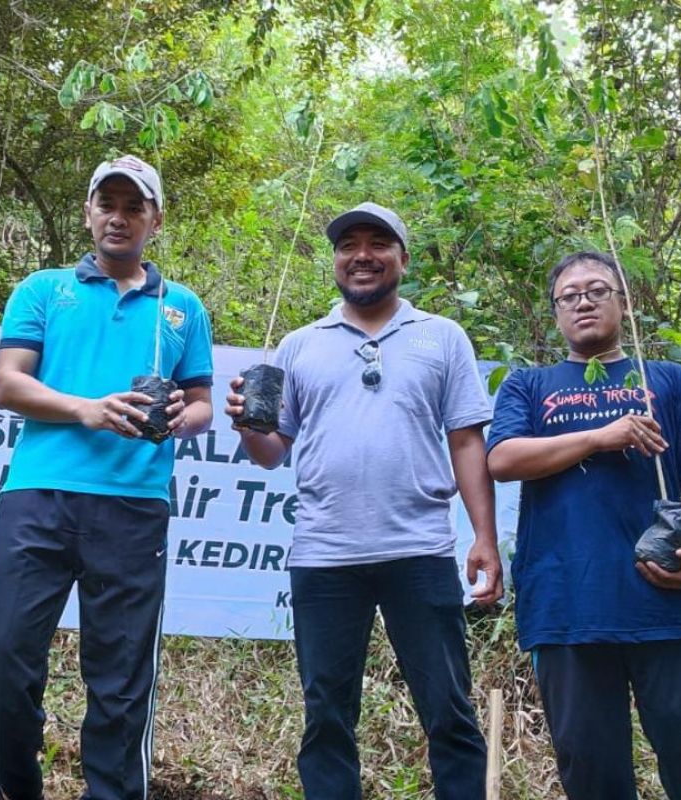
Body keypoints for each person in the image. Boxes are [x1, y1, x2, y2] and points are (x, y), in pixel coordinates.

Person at [225, 201, 503, 800]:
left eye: (378, 243)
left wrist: (485, 537)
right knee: (326, 716)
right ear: (335, 261)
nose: (362, 255)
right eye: (349, 244)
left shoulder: (442, 336)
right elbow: (272, 453)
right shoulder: (300, 345)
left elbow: (466, 441)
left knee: (449, 710)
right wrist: (248, 425)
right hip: (324, 557)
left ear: (402, 258)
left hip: (420, 549)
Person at [0, 154, 215, 800]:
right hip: (37, 497)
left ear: (155, 220)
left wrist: (179, 418)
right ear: (88, 213)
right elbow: (8, 383)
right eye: (107, 203)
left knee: (121, 680)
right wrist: (88, 409)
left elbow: (201, 405)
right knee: (4, 660)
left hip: (136, 507)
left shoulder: (182, 307)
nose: (118, 216)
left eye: (134, 206)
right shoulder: (43, 290)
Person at [485, 251, 681, 800]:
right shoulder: (530, 386)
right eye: (569, 295)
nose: (583, 301)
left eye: (597, 290)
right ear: (555, 314)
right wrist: (601, 436)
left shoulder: (669, 380)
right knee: (592, 771)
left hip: (668, 604)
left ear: (623, 302)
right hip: (567, 605)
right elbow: (503, 459)